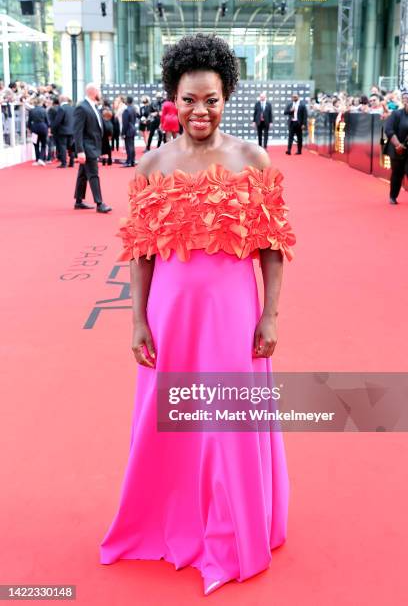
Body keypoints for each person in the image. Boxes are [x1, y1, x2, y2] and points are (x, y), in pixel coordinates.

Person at [100, 33, 295, 596]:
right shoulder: (151, 165)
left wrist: (271, 315)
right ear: (172, 99)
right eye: (189, 100)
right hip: (171, 316)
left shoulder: (251, 159)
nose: (200, 111)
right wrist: (138, 321)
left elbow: (271, 247)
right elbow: (140, 254)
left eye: (210, 99)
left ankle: (233, 530)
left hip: (234, 313)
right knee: (171, 422)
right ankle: (174, 520)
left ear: (226, 96)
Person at [73, 82, 112, 212]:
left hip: (94, 145)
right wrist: (80, 151)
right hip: (87, 147)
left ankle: (78, 200)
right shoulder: (82, 107)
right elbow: (77, 131)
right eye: (99, 90)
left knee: (83, 174)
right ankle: (99, 203)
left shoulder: (94, 107)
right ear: (93, 92)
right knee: (93, 174)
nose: (100, 93)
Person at [384, 91, 408, 205]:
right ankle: (393, 196)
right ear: (405, 102)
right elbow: (388, 130)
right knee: (397, 173)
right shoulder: (396, 114)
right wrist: (398, 145)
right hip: (396, 148)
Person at [52, 95, 75, 168]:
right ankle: (72, 162)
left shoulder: (61, 108)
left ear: (61, 100)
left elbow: (58, 121)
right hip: (71, 131)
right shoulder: (72, 108)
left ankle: (64, 163)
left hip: (62, 131)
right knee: (71, 147)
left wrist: (53, 128)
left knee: (62, 147)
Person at [28, 96, 49, 166]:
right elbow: (48, 122)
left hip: (34, 129)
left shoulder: (31, 111)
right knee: (43, 144)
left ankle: (37, 159)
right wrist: (48, 128)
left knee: (35, 145)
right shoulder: (44, 110)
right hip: (43, 128)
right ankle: (41, 158)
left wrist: (30, 129)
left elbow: (29, 122)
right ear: (41, 102)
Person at [121, 96, 138, 167]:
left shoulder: (126, 110)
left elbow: (125, 123)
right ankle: (132, 161)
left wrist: (123, 133)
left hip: (128, 130)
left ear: (127, 101)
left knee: (128, 146)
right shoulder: (133, 109)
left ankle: (129, 161)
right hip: (133, 129)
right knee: (132, 146)